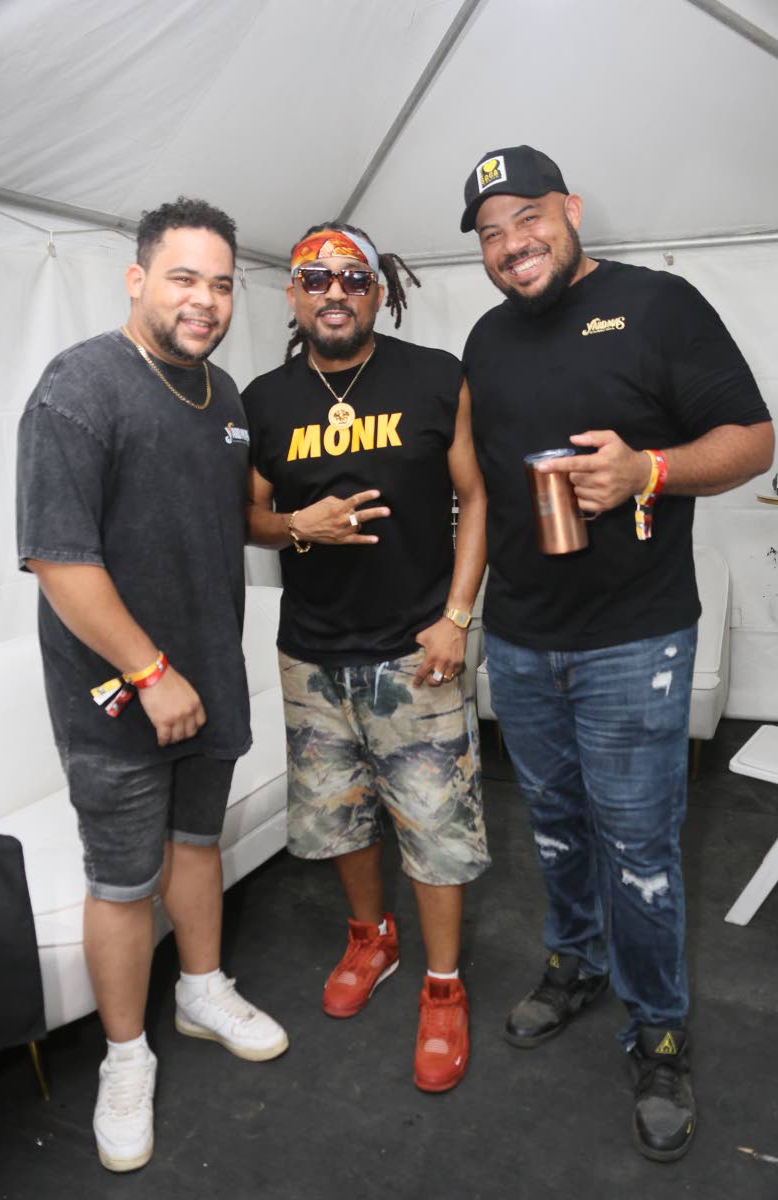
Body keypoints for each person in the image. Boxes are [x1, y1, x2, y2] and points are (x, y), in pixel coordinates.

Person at [459, 145, 773, 1160]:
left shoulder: (657, 306)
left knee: (639, 851)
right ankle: (575, 964)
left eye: (528, 218)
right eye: (491, 233)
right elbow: (479, 484)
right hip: (520, 638)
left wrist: (649, 470)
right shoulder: (484, 339)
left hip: (633, 638)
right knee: (553, 827)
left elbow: (753, 438)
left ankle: (659, 1031)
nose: (512, 244)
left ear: (571, 209)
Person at [16, 198, 288, 1173]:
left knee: (196, 845)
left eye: (220, 284)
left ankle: (201, 989)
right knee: (124, 880)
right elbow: (58, 559)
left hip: (208, 678)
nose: (204, 300)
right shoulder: (79, 385)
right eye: (183, 278)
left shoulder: (227, 397)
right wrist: (150, 671)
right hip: (119, 696)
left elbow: (219, 521)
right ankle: (124, 1058)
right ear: (137, 280)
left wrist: (298, 526)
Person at [243, 223, 489, 1092]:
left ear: (378, 292)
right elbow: (249, 518)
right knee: (341, 817)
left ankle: (443, 985)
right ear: (293, 295)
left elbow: (476, 496)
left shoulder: (435, 376)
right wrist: (295, 526)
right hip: (312, 654)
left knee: (436, 829)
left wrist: (457, 618)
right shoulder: (265, 398)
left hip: (415, 651)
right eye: (316, 279)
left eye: (353, 277)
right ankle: (371, 940)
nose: (335, 292)